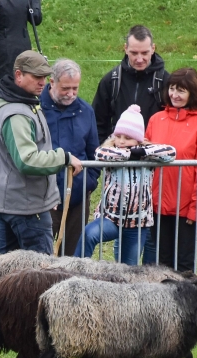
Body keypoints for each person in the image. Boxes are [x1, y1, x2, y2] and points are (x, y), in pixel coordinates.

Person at [0, 50, 83, 261]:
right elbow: (26, 160)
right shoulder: (18, 113)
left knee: (3, 275)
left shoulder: (23, 103)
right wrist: (63, 158)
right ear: (19, 75)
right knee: (38, 278)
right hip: (26, 209)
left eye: (44, 77)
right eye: (36, 77)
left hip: (15, 203)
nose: (42, 82)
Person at [74, 105, 176, 263]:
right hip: (110, 218)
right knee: (89, 234)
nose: (121, 141)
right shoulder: (110, 150)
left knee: (128, 271)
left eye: (127, 138)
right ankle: (76, 269)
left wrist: (141, 152)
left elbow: (171, 152)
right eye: (118, 136)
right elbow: (100, 153)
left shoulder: (147, 154)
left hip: (137, 223)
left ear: (138, 139)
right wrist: (130, 154)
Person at [143, 67, 197, 272]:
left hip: (184, 208)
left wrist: (196, 208)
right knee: (161, 264)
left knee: (184, 265)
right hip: (156, 205)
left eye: (181, 90)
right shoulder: (156, 119)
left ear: (192, 93)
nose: (175, 94)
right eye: (173, 88)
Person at [39, 59, 100, 256]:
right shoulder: (36, 109)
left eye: (75, 88)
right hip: (44, 196)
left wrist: (87, 183)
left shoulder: (85, 111)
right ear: (52, 82)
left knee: (72, 256)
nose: (71, 94)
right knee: (43, 252)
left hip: (78, 195)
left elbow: (94, 153)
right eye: (66, 88)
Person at [91, 24, 169, 144]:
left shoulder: (165, 81)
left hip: (152, 156)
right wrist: (105, 150)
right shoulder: (111, 80)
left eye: (144, 53)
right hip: (118, 156)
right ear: (125, 48)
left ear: (153, 49)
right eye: (134, 53)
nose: (139, 59)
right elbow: (97, 123)